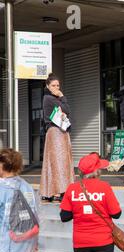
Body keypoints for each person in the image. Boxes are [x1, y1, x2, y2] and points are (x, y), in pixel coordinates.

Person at [60, 152, 122, 252]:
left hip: (81, 242)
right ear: (97, 171)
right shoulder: (104, 187)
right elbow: (116, 213)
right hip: (104, 241)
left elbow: (65, 216)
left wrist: (80, 209)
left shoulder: (72, 189)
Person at [0, 149, 39, 252]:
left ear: (3, 164)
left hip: (4, 247)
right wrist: (35, 243)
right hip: (21, 247)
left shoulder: (2, 188)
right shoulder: (26, 186)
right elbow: (35, 218)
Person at [40, 73, 75, 202]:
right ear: (48, 86)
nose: (56, 88)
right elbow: (67, 109)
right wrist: (62, 96)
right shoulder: (50, 98)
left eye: (58, 85)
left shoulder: (50, 99)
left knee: (53, 162)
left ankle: (50, 192)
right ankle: (60, 191)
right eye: (53, 85)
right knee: (60, 162)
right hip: (56, 133)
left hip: (56, 132)